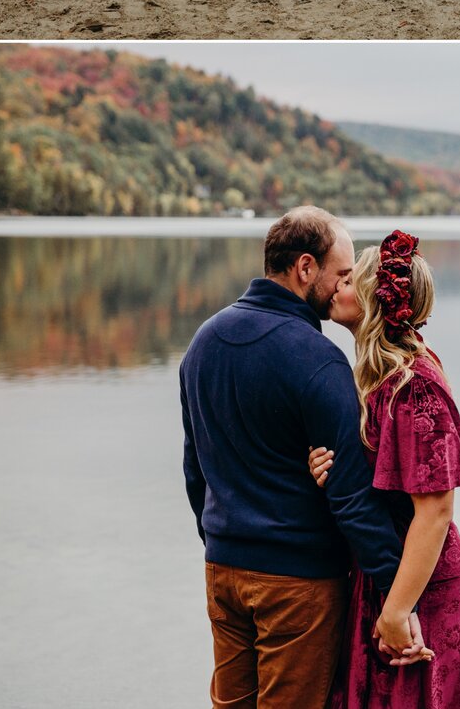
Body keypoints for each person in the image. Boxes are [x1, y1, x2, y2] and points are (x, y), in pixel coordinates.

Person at [179, 207, 431, 709]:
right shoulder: (315, 359)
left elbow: (195, 470)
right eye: (340, 274)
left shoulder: (202, 342)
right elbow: (352, 496)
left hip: (223, 570)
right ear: (305, 268)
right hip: (297, 582)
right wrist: (394, 596)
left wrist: (219, 539)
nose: (345, 288)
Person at [310, 230, 460, 709]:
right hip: (389, 574)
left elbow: (436, 510)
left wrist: (398, 609)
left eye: (346, 279)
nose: (335, 287)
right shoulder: (378, 378)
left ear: (371, 299)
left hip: (427, 585)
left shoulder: (414, 387)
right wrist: (330, 468)